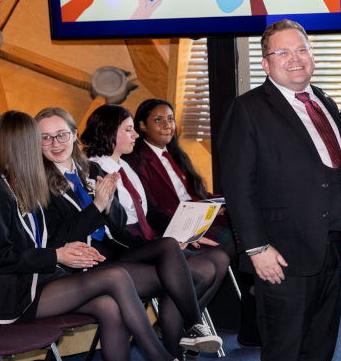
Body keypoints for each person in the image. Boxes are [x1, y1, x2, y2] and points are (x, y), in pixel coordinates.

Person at [0, 111, 219, 361]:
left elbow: (44, 239)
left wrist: (69, 252)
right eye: (38, 140)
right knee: (115, 278)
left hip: (43, 279)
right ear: (22, 146)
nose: (45, 147)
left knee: (110, 306)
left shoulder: (24, 184)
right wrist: (58, 253)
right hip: (18, 298)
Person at [219, 18, 341, 361]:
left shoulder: (322, 100)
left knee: (319, 345)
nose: (295, 59)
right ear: (267, 63)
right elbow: (237, 187)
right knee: (284, 349)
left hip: (329, 244)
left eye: (301, 50)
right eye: (283, 53)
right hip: (279, 252)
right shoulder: (247, 109)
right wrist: (256, 248)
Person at [36, 107, 222, 361]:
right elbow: (59, 238)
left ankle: (188, 340)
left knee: (171, 251)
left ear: (73, 135)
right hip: (81, 267)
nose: (56, 143)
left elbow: (118, 226)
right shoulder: (40, 182)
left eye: (61, 135)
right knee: (178, 274)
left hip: (109, 253)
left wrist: (109, 206)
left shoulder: (91, 170)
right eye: (46, 138)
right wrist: (97, 205)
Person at [124, 98, 257, 347]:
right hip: (172, 229)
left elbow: (196, 196)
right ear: (142, 126)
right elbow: (152, 212)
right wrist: (194, 221)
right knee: (239, 240)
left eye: (170, 119)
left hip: (197, 219)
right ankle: (252, 299)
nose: (167, 125)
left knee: (237, 238)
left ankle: (180, 326)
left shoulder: (174, 154)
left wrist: (218, 204)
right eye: (158, 120)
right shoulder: (137, 161)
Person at [80, 105, 231, 314]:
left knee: (220, 259)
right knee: (203, 271)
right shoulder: (94, 170)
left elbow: (149, 211)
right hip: (126, 243)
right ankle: (185, 328)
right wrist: (159, 244)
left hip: (145, 235)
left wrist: (184, 232)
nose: (135, 135)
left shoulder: (124, 166)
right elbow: (111, 231)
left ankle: (181, 330)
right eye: (128, 129)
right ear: (108, 131)